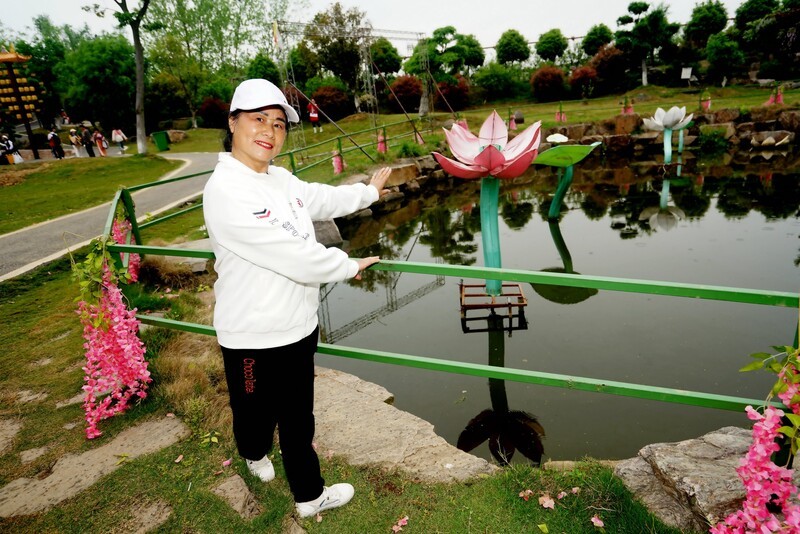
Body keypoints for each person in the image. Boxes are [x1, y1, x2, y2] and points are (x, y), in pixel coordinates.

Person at [203, 78, 390, 519]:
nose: (269, 131)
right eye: (258, 119)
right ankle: (253, 454)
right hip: (250, 335)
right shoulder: (226, 190)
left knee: (298, 418)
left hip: (298, 326)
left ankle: (309, 496)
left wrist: (368, 192)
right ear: (232, 123)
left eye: (278, 124)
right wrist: (347, 265)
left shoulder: (279, 179)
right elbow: (293, 257)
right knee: (252, 413)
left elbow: (321, 197)